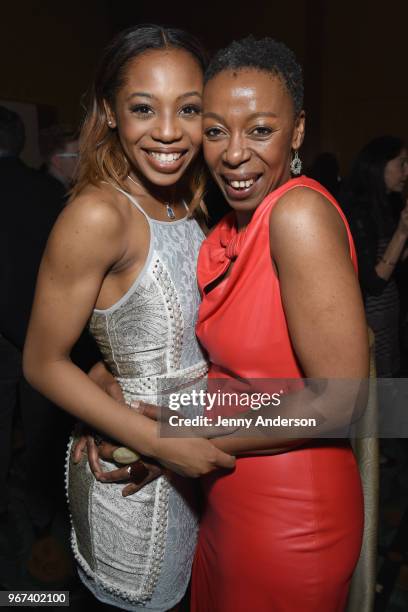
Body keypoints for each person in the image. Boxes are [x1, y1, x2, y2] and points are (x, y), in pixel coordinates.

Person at [80, 36, 369, 611]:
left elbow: (341, 400)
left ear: (299, 132)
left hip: (290, 517)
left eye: (260, 129)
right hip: (224, 503)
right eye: (215, 131)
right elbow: (221, 375)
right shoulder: (228, 227)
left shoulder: (297, 215)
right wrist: (110, 385)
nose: (234, 154)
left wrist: (172, 438)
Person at [23, 25, 234, 611]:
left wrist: (103, 368)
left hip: (185, 453)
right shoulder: (97, 213)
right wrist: (156, 441)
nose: (168, 131)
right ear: (111, 112)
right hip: (130, 473)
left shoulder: (189, 198)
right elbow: (41, 361)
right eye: (144, 108)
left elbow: (134, 322)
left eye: (188, 109)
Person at [0, 106, 75, 582]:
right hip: (35, 331)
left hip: (19, 334)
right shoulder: (41, 193)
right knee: (41, 425)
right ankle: (40, 516)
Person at [342, 136, 408, 378]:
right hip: (370, 322)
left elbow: (393, 261)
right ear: (379, 165)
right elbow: (375, 282)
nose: (406, 172)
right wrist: (402, 232)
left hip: (389, 317)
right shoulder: (356, 209)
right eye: (401, 163)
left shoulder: (388, 203)